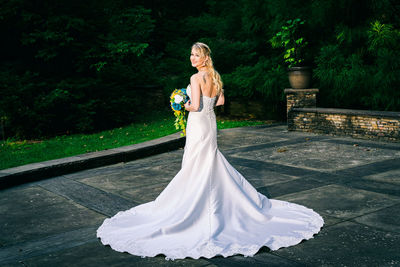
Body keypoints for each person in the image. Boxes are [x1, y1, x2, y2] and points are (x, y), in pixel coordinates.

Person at [97, 42, 324, 260]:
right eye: (191, 54)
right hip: (210, 123)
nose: (192, 58)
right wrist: (201, 103)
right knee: (208, 159)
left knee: (196, 161)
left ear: (205, 57)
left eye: (196, 55)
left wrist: (181, 105)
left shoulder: (195, 77)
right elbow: (220, 101)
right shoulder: (216, 76)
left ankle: (194, 203)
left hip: (198, 123)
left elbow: (195, 106)